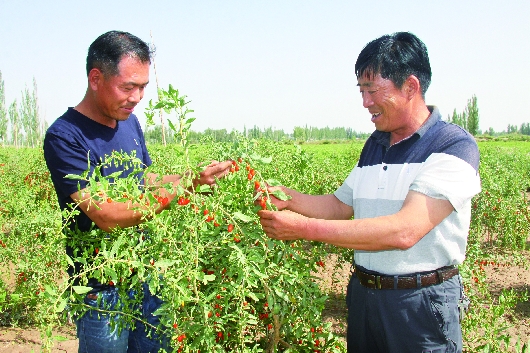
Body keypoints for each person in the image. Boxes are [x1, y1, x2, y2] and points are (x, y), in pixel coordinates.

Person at [258, 32, 481, 352]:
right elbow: (339, 205)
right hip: (365, 295)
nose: (365, 103)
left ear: (411, 87)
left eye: (373, 91)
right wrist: (285, 197)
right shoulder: (375, 145)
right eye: (362, 91)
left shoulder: (452, 146)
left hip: (420, 304)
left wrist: (301, 228)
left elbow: (404, 231)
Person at [43, 30, 232, 353]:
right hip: (102, 290)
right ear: (96, 78)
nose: (137, 97)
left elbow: (145, 179)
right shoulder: (65, 136)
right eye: (128, 87)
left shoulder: (129, 122)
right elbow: (105, 214)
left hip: (147, 278)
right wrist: (182, 188)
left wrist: (194, 179)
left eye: (143, 87)